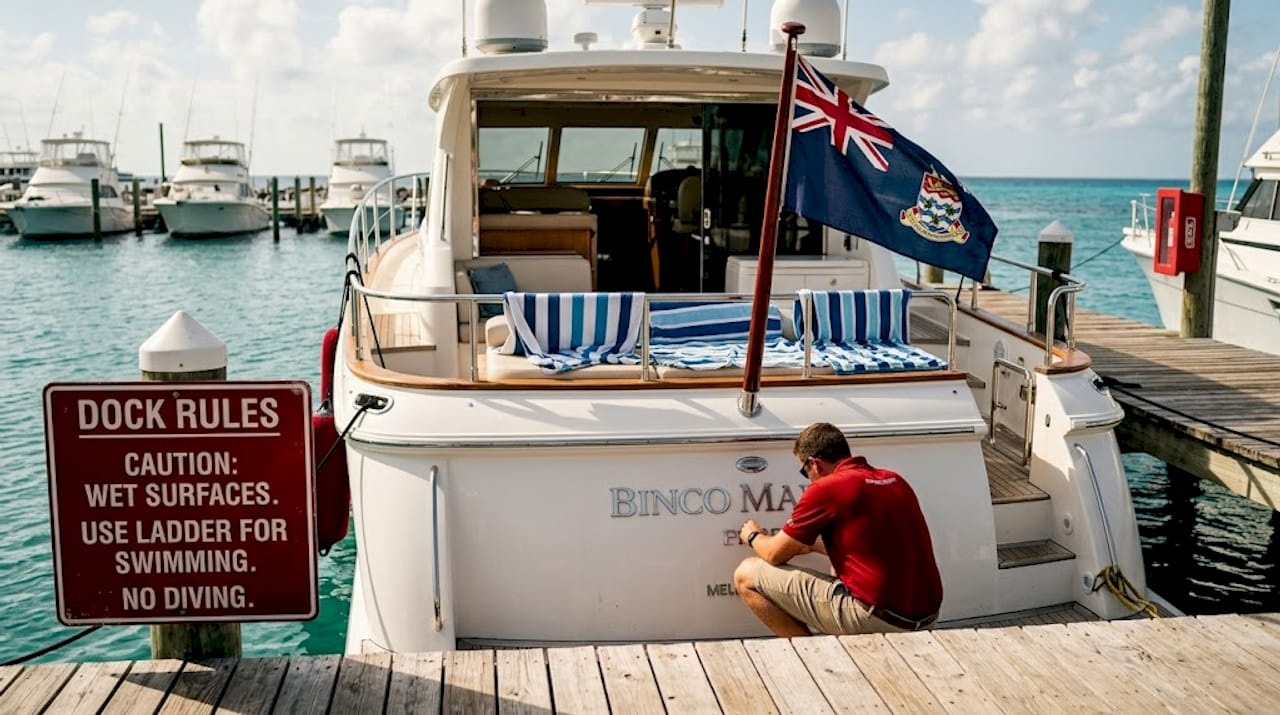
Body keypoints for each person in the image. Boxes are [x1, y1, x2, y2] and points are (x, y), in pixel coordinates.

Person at [734, 422, 943, 636]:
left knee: (746, 574)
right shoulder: (895, 479)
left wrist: (752, 535)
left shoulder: (826, 488)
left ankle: (813, 659)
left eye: (805, 472)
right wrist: (814, 546)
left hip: (877, 620)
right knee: (838, 570)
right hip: (926, 618)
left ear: (814, 464)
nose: (809, 480)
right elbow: (874, 545)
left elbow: (773, 554)